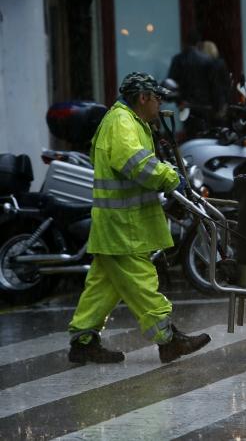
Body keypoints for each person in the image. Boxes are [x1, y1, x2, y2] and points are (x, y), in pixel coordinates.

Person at [67, 72, 211, 365]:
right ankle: (168, 339)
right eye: (157, 98)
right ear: (143, 97)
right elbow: (136, 164)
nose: (160, 103)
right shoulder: (121, 123)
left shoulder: (132, 121)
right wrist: (171, 177)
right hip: (123, 225)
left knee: (103, 285)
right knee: (142, 281)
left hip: (120, 222)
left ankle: (83, 341)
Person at [167, 31, 215, 138]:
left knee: (190, 133)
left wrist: (179, 101)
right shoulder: (206, 60)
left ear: (184, 42)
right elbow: (213, 83)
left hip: (186, 103)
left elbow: (171, 83)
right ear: (199, 43)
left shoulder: (178, 59)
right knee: (205, 133)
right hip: (204, 104)